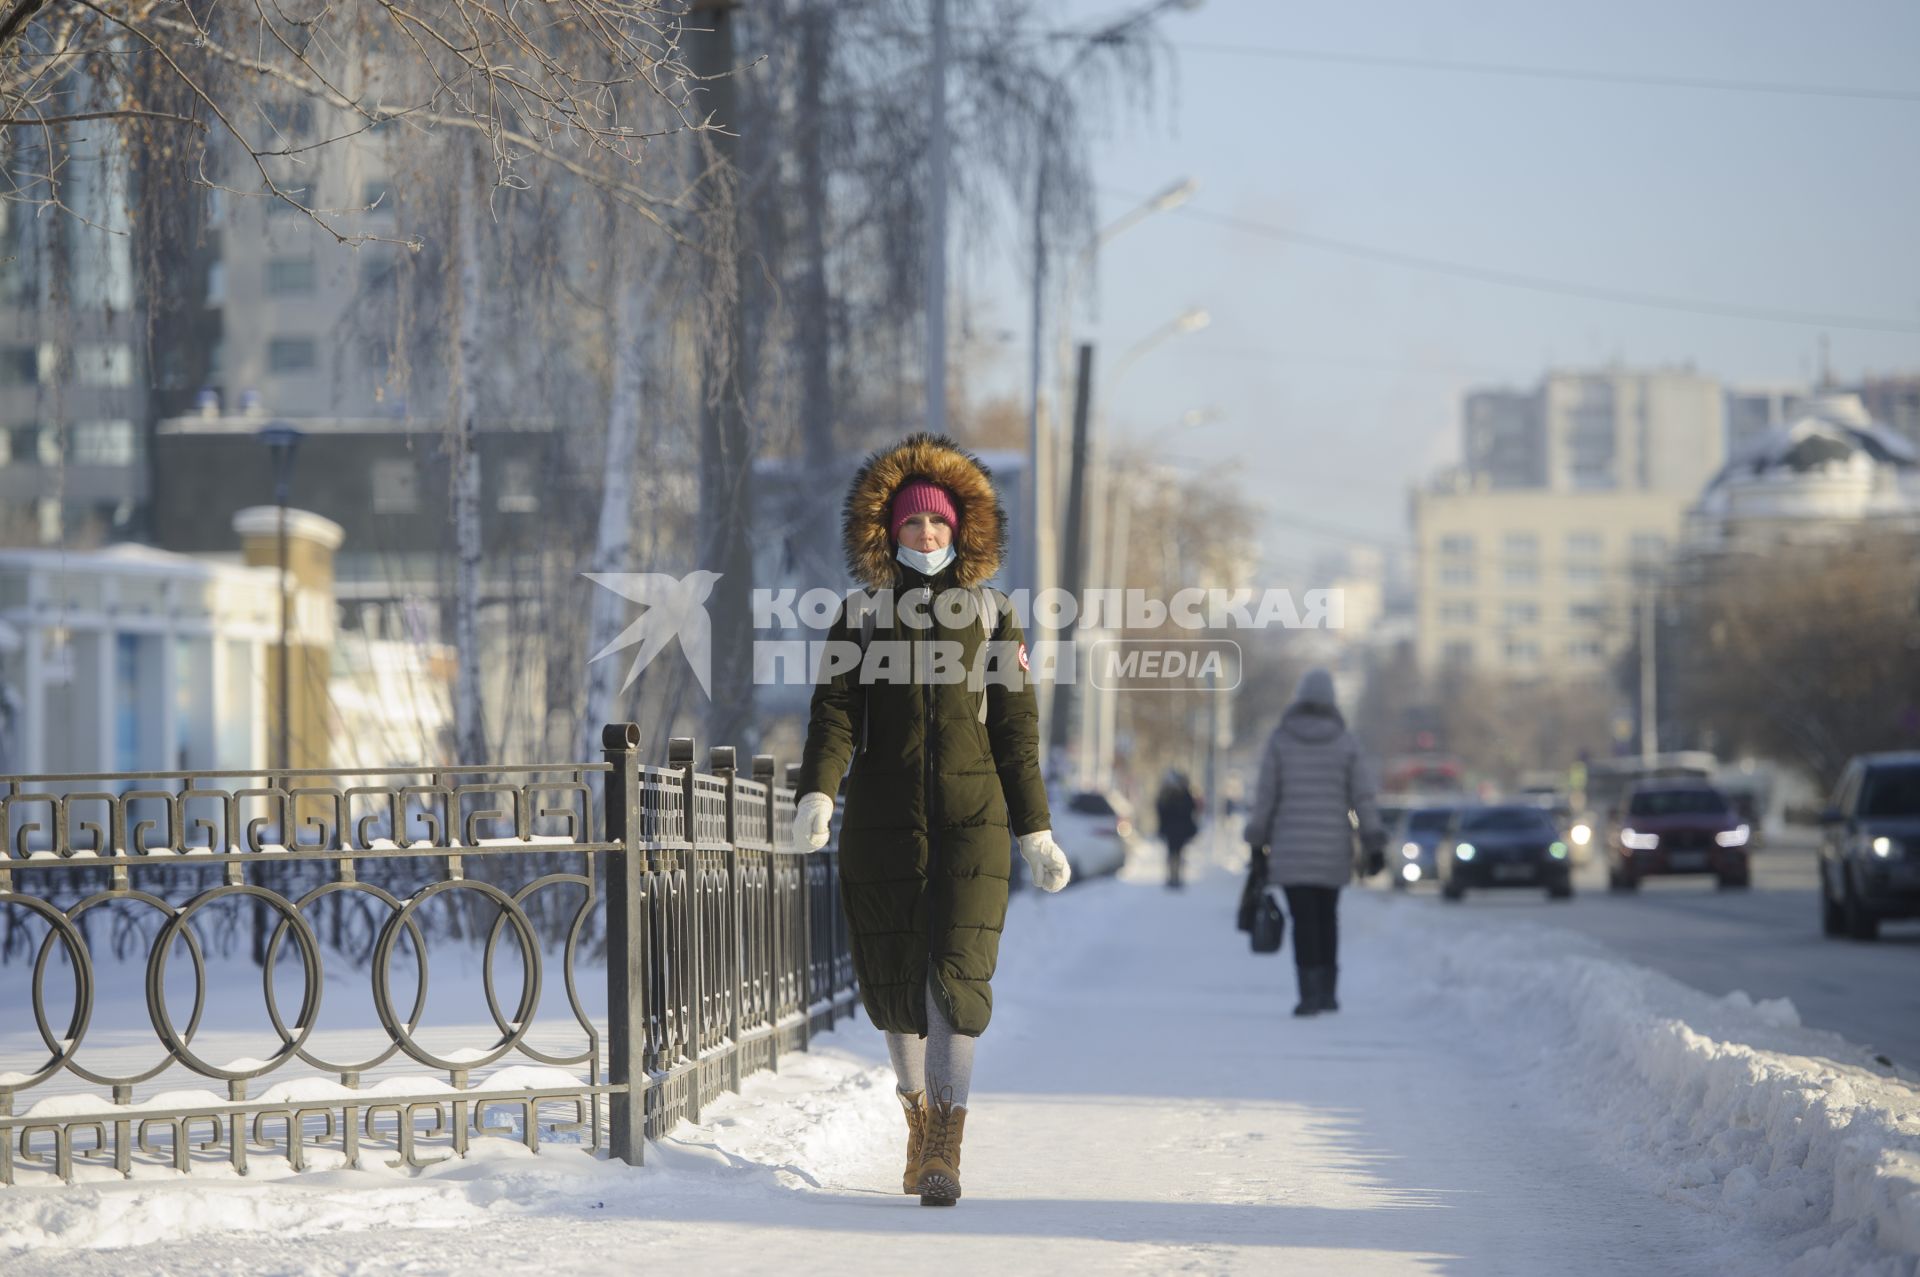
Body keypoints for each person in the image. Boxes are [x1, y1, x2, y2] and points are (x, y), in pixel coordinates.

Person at [791, 432, 1072, 1207]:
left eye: (939, 524)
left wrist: (1036, 829)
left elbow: (1016, 732)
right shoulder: (860, 617)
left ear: (962, 531)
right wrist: (818, 791)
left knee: (957, 979)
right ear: (887, 532)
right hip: (884, 821)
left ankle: (946, 1141)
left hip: (973, 825)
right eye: (913, 524)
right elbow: (834, 717)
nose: (926, 536)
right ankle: (915, 1117)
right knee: (899, 982)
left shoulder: (993, 616)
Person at [1240, 668, 1384, 1017]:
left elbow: (1266, 797)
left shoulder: (1280, 740)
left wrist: (1258, 840)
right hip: (1333, 847)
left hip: (1290, 847)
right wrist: (1372, 840)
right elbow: (1362, 797)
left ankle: (1308, 994)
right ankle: (1329, 992)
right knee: (1327, 917)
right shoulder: (1346, 742)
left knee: (1303, 920)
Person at [1154, 769, 1200, 888]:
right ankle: (1174, 876)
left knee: (1174, 853)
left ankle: (1174, 876)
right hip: (1177, 829)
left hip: (1175, 829)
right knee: (1175, 853)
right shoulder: (1177, 794)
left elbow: (1192, 809)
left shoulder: (1173, 794)